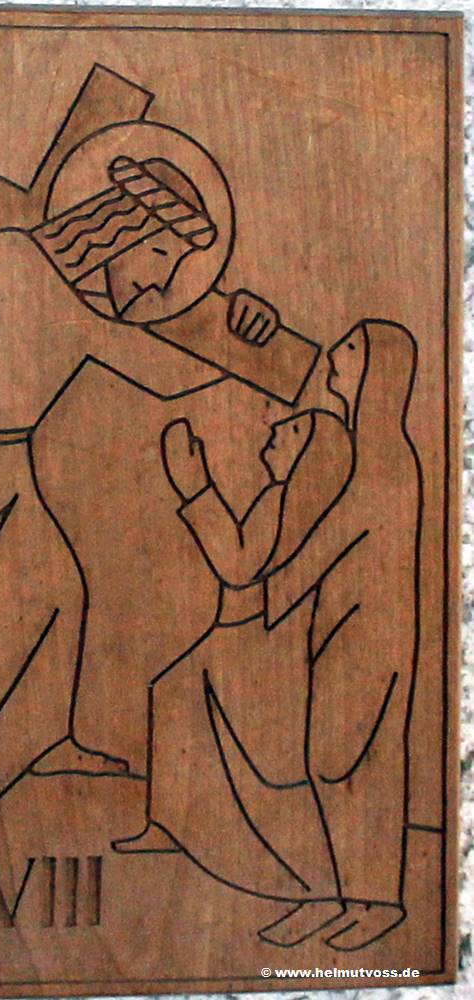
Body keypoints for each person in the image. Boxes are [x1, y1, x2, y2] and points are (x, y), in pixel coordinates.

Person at [0, 107, 282, 941]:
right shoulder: (3, 260)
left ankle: (47, 739)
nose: (164, 282)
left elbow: (167, 373)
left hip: (11, 474)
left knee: (57, 599)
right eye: (162, 256)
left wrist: (241, 326)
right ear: (123, 228)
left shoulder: (90, 312)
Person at [116, 320, 421, 954]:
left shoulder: (383, 460)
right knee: (326, 762)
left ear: (378, 375)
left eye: (352, 349)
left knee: (350, 763)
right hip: (335, 630)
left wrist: (269, 592)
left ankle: (372, 901)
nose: (336, 355)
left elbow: (329, 543)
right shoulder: (355, 448)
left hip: (371, 634)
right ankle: (332, 895)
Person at [113, 410, 352, 903]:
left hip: (255, 643)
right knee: (172, 693)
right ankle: (168, 823)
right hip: (234, 631)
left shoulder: (292, 505)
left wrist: (196, 487)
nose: (274, 430)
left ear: (311, 458)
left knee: (252, 750)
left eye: (292, 431)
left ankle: (304, 867)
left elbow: (238, 564)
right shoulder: (278, 498)